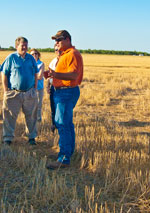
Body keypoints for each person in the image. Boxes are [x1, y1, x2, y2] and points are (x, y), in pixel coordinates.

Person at [46, 30, 83, 170]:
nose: (56, 43)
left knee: (62, 124)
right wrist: (52, 76)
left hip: (66, 92)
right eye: (55, 40)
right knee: (66, 124)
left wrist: (56, 74)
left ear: (67, 39)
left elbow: (73, 75)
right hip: (62, 91)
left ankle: (64, 158)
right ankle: (68, 153)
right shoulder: (65, 54)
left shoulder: (72, 54)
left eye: (58, 40)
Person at [1, 37, 39, 145]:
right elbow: (4, 73)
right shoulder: (11, 58)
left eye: (26, 45)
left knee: (31, 116)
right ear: (16, 46)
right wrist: (5, 89)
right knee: (9, 116)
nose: (25, 47)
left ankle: (31, 137)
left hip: (29, 92)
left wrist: (35, 88)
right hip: (14, 93)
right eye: (22, 45)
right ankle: (7, 138)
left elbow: (36, 73)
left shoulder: (31, 58)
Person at [46, 45, 61, 132]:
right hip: (53, 87)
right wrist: (48, 86)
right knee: (53, 108)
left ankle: (60, 127)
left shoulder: (64, 61)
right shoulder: (53, 61)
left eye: (59, 50)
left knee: (60, 109)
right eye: (56, 50)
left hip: (61, 88)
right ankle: (53, 125)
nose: (58, 51)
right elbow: (49, 76)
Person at [29, 48, 45, 122]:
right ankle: (31, 120)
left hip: (39, 88)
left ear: (38, 55)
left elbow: (40, 76)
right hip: (29, 88)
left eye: (36, 54)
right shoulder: (28, 63)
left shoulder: (41, 64)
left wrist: (30, 75)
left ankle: (38, 120)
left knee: (38, 105)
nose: (34, 55)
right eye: (32, 54)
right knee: (29, 105)